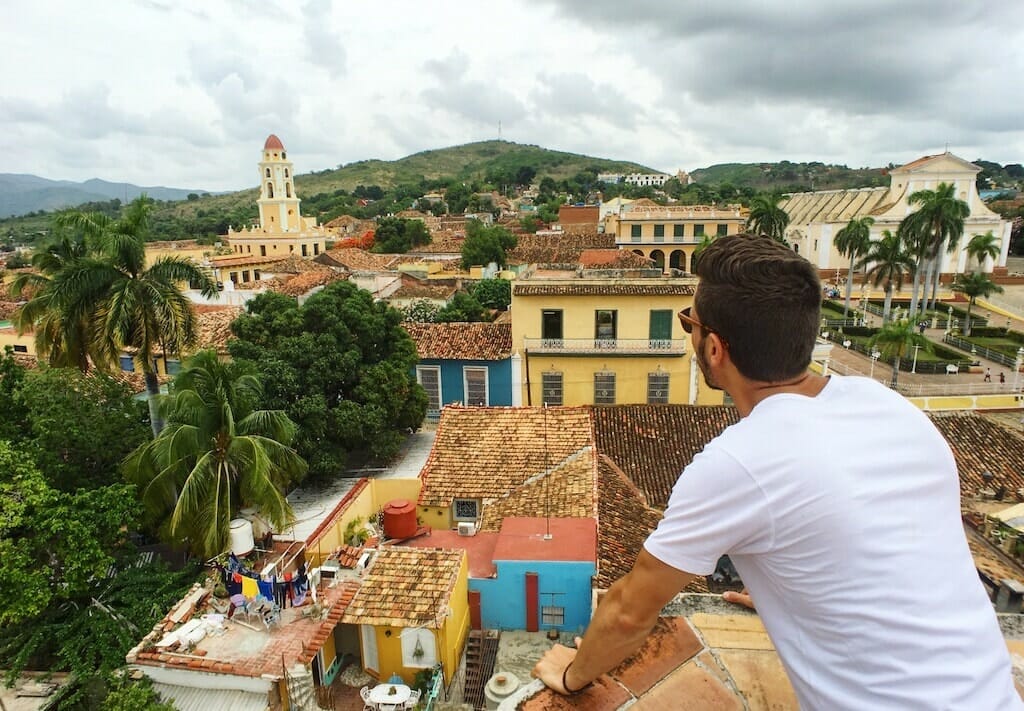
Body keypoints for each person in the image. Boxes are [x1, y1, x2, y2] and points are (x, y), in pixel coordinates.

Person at [533, 234, 1021, 709]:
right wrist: (795, 596)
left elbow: (627, 613)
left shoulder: (739, 462)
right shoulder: (890, 406)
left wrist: (572, 676)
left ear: (715, 349)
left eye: (690, 323)